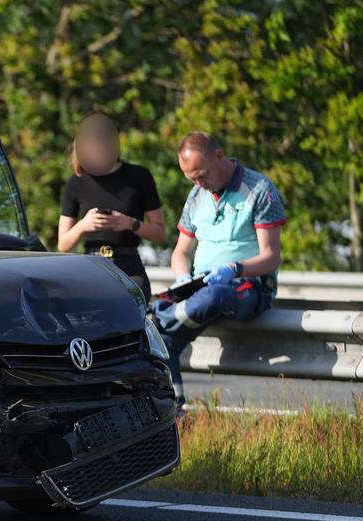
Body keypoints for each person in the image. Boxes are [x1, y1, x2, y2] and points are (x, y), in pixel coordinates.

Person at [151, 131, 285, 406]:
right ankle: (174, 408)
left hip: (246, 286)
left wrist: (235, 268)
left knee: (214, 295)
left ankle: (161, 316)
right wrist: (183, 277)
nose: (199, 183)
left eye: (201, 175)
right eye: (191, 179)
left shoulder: (260, 190)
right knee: (160, 341)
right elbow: (180, 252)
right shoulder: (197, 195)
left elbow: (271, 257)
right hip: (200, 286)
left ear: (219, 156)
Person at [57, 114, 166, 300]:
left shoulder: (139, 176)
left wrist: (130, 223)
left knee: (135, 300)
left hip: (129, 264)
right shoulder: (75, 183)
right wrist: (84, 225)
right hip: (91, 264)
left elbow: (160, 233)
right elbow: (63, 244)